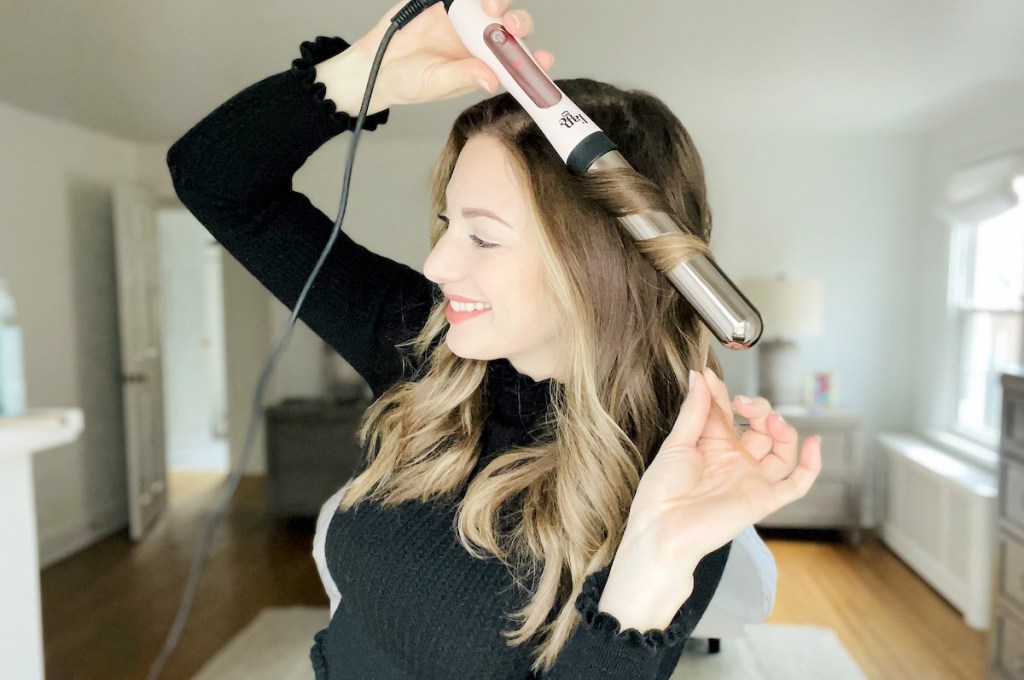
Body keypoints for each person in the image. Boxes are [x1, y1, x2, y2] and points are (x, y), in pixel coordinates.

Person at [166, 1, 821, 678]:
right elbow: (216, 182)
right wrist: (365, 76)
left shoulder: (668, 481)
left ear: (593, 263)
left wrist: (653, 566)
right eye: (448, 222)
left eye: (483, 236)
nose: (437, 264)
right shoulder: (424, 341)